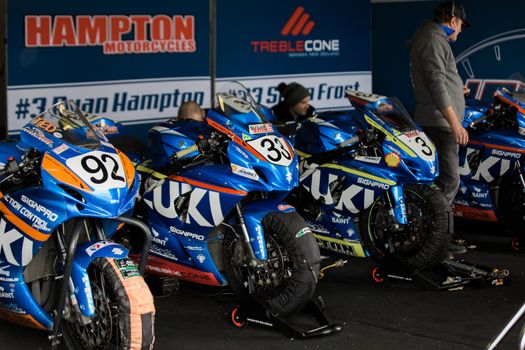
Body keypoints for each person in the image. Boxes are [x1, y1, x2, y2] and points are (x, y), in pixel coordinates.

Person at [407, 1, 471, 254]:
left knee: (441, 181)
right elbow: (435, 82)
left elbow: (439, 78)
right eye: (461, 25)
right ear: (453, 19)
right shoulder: (433, 38)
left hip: (436, 119)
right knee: (449, 181)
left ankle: (437, 237)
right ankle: (434, 239)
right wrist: (455, 123)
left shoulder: (432, 37)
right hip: (440, 122)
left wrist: (458, 90)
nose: (461, 31)